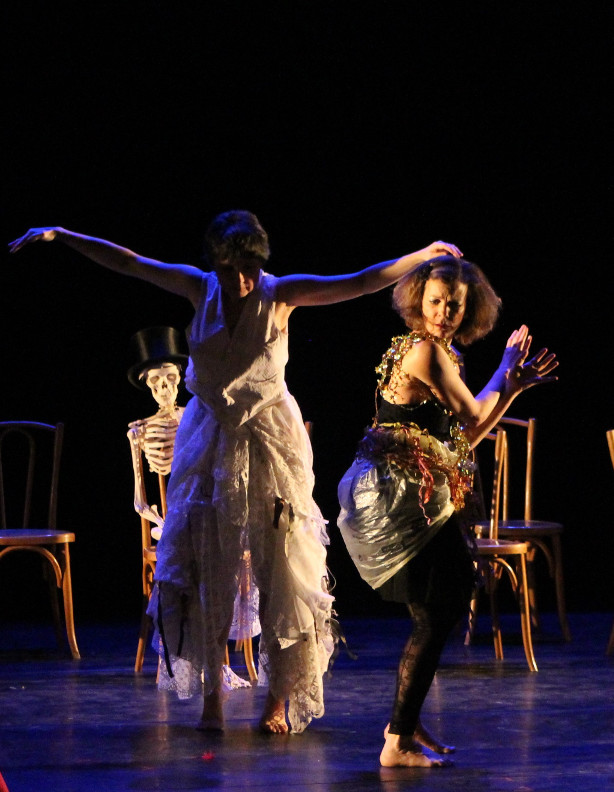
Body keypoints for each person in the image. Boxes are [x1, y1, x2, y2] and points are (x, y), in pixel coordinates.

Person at [9, 212, 461, 735]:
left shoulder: (281, 294)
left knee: (281, 566)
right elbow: (129, 263)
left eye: (250, 267)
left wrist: (422, 255)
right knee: (208, 564)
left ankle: (277, 699)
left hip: (270, 436)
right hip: (209, 437)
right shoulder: (199, 290)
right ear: (215, 265)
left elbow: (358, 282)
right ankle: (211, 699)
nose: (242, 280)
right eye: (232, 268)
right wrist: (63, 236)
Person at [337, 255, 558, 766]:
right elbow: (477, 415)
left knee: (436, 609)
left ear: (468, 309)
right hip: (396, 497)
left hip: (414, 493)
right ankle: (398, 738)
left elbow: (465, 438)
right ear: (418, 300)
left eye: (453, 305)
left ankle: (405, 724)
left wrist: (514, 386)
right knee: (444, 602)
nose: (442, 313)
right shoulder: (425, 354)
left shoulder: (444, 354)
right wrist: (506, 370)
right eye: (435, 302)